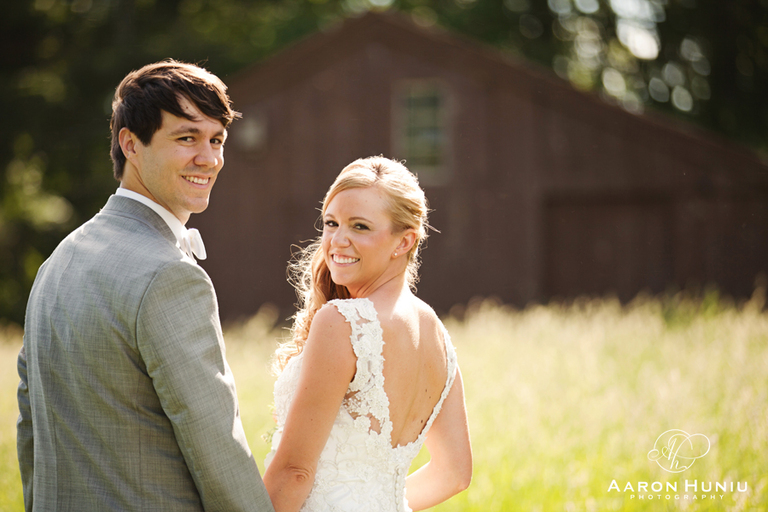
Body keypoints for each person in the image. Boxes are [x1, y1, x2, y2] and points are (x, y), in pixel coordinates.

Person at [16, 60, 274, 512]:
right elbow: (216, 444)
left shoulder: (60, 259)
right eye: (187, 138)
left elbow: (30, 429)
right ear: (131, 144)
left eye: (216, 140)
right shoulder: (168, 275)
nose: (209, 158)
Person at [263, 156, 472, 512]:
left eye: (359, 227)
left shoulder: (342, 322)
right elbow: (454, 474)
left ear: (404, 241)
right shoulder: (435, 332)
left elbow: (294, 473)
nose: (337, 240)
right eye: (331, 223)